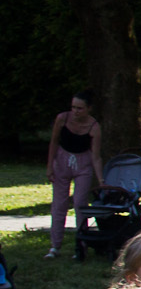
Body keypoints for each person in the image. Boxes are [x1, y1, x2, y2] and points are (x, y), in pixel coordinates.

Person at [46, 91, 103, 260]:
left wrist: (101, 180)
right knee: (59, 204)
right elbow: (54, 142)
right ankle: (55, 246)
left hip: (83, 163)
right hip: (62, 161)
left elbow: (96, 156)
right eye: (73, 107)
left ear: (88, 109)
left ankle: (81, 244)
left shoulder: (94, 127)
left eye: (80, 108)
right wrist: (50, 166)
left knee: (80, 204)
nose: (76, 111)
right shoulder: (62, 119)